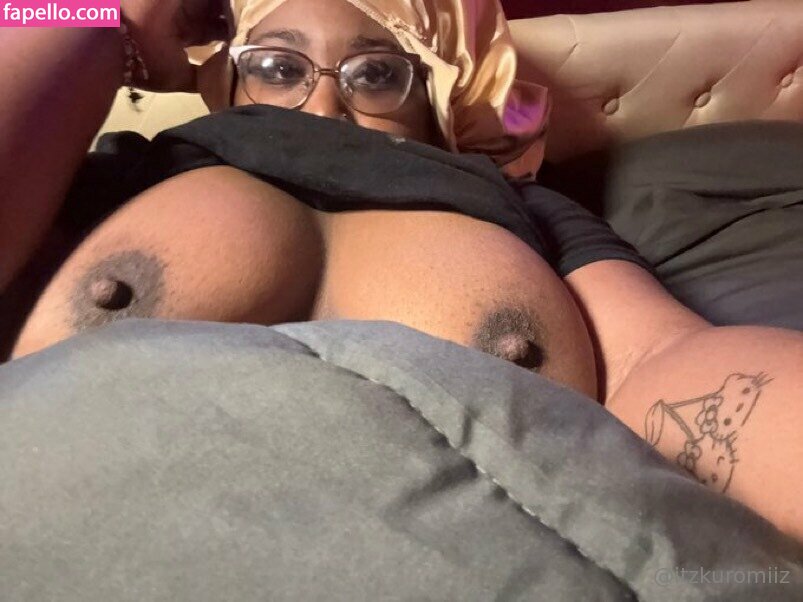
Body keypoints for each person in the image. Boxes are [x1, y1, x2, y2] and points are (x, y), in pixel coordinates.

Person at [0, 0, 800, 540]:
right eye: (276, 66)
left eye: (376, 75)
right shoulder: (126, 172)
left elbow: (661, 359)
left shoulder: (522, 207)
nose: (323, 106)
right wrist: (105, 21)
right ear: (226, 82)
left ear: (437, 97)